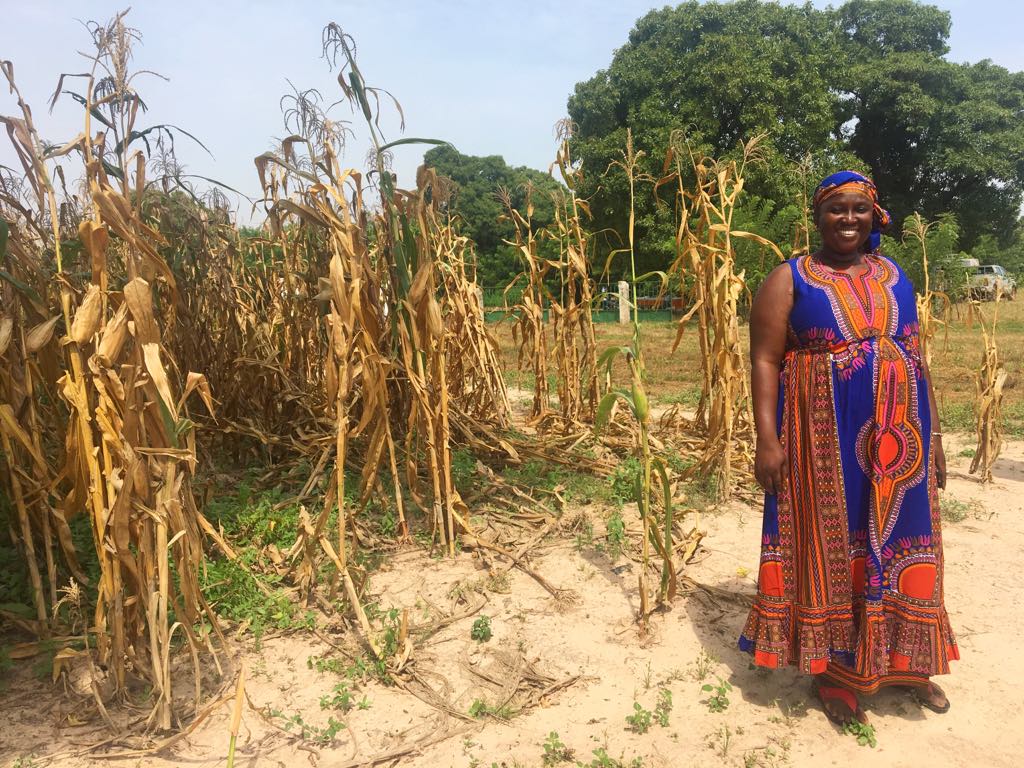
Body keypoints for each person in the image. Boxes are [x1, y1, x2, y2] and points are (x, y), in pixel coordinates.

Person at [738, 171, 959, 726]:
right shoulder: (790, 279)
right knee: (834, 548)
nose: (848, 219)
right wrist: (767, 439)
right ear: (818, 217)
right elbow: (764, 359)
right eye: (837, 209)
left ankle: (908, 664)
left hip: (902, 438)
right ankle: (836, 673)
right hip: (821, 440)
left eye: (860, 209)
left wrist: (933, 437)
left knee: (909, 543)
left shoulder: (895, 276)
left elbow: (916, 356)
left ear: (874, 216)